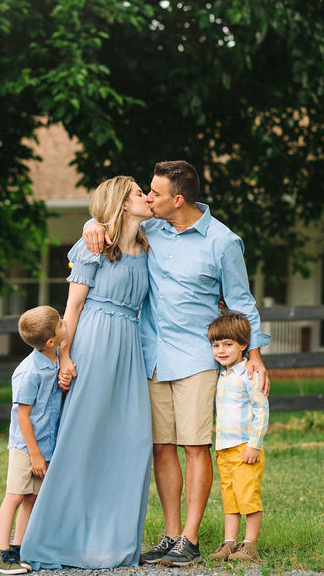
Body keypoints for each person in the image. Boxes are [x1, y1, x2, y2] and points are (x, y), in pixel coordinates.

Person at [83, 159, 270, 567]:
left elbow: (241, 302)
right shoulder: (150, 227)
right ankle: (171, 536)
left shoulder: (223, 242)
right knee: (161, 447)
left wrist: (254, 354)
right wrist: (90, 225)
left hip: (197, 359)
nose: (148, 198)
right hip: (150, 355)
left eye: (155, 192)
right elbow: (110, 221)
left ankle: (190, 538)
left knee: (194, 446)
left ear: (178, 199)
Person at [20, 176, 154, 569]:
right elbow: (72, 310)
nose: (147, 198)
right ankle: (58, 538)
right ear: (123, 204)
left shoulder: (150, 244)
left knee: (132, 439)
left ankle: (112, 542)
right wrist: (64, 358)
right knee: (83, 434)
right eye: (139, 194)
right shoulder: (92, 247)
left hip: (129, 347)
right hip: (94, 341)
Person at [0, 306, 66, 575]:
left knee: (31, 498)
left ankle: (19, 548)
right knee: (14, 496)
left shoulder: (55, 356)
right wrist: (34, 454)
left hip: (45, 443)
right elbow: (23, 416)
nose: (65, 323)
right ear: (50, 341)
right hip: (26, 447)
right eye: (61, 323)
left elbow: (67, 340)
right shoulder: (30, 372)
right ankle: (1, 555)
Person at [207, 312, 269, 563]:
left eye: (228, 344)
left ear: (243, 345)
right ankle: (230, 543)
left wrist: (255, 444)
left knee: (248, 496)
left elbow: (261, 411)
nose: (221, 351)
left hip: (245, 448)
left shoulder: (249, 375)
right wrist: (220, 447)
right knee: (230, 498)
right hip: (225, 450)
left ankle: (250, 545)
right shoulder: (221, 375)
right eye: (216, 345)